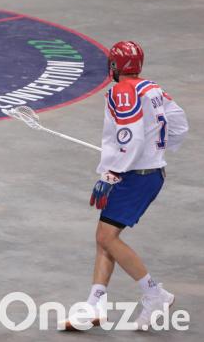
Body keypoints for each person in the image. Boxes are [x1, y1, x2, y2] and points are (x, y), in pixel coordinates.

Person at [63, 41, 188, 330]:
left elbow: (130, 136)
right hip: (151, 172)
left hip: (134, 176)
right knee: (104, 235)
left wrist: (111, 173)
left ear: (115, 66)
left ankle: (155, 293)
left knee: (107, 239)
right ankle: (94, 305)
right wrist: (157, 153)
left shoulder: (121, 91)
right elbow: (180, 125)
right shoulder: (153, 89)